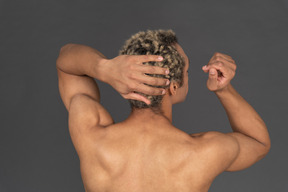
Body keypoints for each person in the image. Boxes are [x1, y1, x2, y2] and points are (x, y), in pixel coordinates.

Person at [56, 30, 271, 192]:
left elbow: (65, 61)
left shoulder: (93, 136)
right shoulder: (204, 152)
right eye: (186, 71)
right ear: (173, 87)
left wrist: (105, 68)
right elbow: (259, 142)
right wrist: (224, 90)